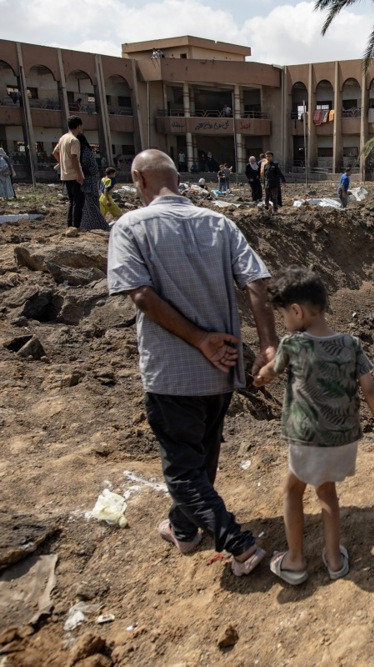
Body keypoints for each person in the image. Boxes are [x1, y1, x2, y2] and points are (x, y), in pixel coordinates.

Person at [106, 149, 277, 578]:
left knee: (184, 472)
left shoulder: (130, 227)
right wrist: (269, 344)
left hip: (172, 372)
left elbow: (142, 296)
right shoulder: (219, 224)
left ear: (140, 180)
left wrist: (200, 340)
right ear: (178, 181)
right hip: (222, 370)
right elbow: (256, 283)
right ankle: (184, 528)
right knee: (202, 456)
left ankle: (239, 545)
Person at [254, 268, 374, 585]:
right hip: (343, 439)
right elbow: (370, 389)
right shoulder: (351, 344)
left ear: (297, 311)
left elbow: (271, 372)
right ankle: (333, 560)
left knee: (292, 490)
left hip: (308, 439)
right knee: (327, 492)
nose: (284, 322)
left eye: (283, 315)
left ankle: (295, 561)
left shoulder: (293, 344)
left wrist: (261, 378)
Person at [53, 116, 85, 228]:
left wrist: (62, 163)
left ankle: (70, 225)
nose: (82, 128)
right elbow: (74, 157)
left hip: (65, 174)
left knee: (72, 202)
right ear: (78, 126)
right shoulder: (74, 140)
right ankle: (76, 226)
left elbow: (55, 152)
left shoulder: (63, 138)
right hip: (74, 175)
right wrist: (79, 174)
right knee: (79, 202)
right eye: (81, 126)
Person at [77, 134, 109, 232]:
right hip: (89, 182)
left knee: (91, 206)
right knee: (87, 206)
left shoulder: (85, 152)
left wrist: (80, 171)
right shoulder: (82, 152)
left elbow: (93, 169)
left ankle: (100, 224)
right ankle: (88, 225)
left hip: (88, 182)